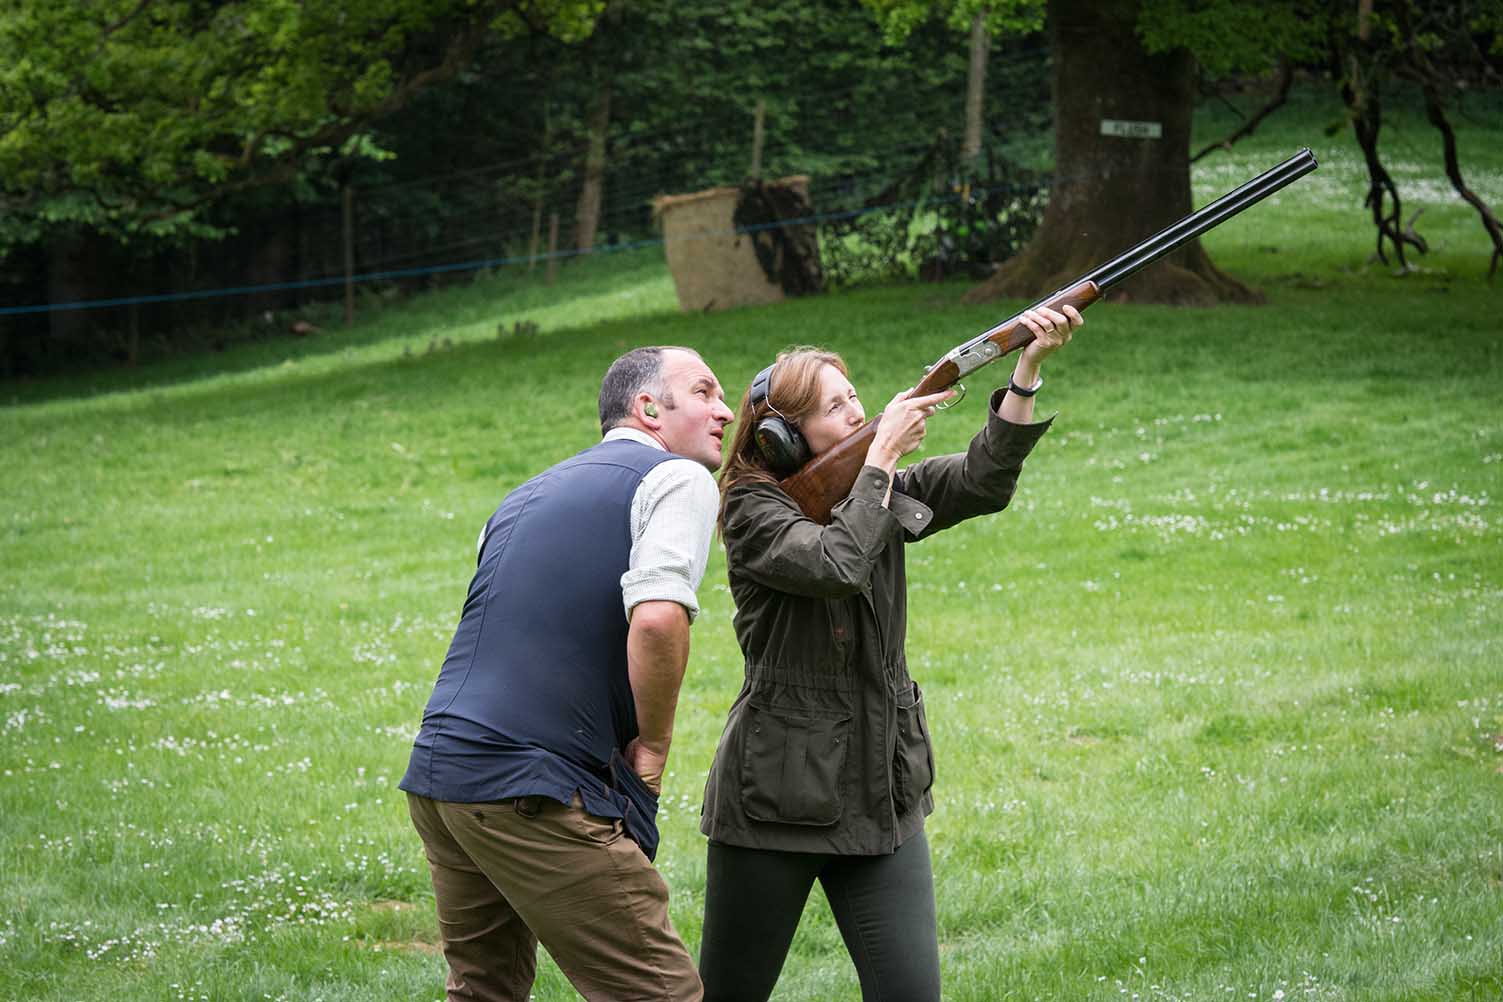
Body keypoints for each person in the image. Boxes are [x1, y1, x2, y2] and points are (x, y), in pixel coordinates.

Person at [697, 307, 1080, 1001]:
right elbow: (833, 564)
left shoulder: (872, 490)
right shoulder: (752, 510)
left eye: (855, 400)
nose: (857, 413)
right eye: (834, 406)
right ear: (783, 438)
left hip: (882, 785)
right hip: (775, 797)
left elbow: (980, 483)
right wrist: (878, 462)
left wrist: (1025, 371)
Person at [400, 345, 734, 1002]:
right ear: (647, 408)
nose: (725, 410)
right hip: (530, 789)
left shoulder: (522, 496)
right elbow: (659, 617)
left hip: (441, 778)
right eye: (703, 392)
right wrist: (654, 749)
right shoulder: (675, 478)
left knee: (482, 990)